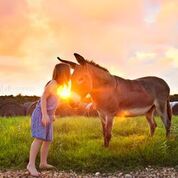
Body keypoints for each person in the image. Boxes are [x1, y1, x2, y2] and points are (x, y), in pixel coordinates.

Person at [27, 63, 70, 177]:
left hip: (49, 115)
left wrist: (53, 114)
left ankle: (43, 163)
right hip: (41, 113)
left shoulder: (60, 87)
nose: (69, 75)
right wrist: (45, 115)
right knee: (39, 138)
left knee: (48, 140)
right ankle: (31, 165)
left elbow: (54, 102)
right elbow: (44, 98)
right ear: (63, 74)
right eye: (68, 73)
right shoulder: (53, 84)